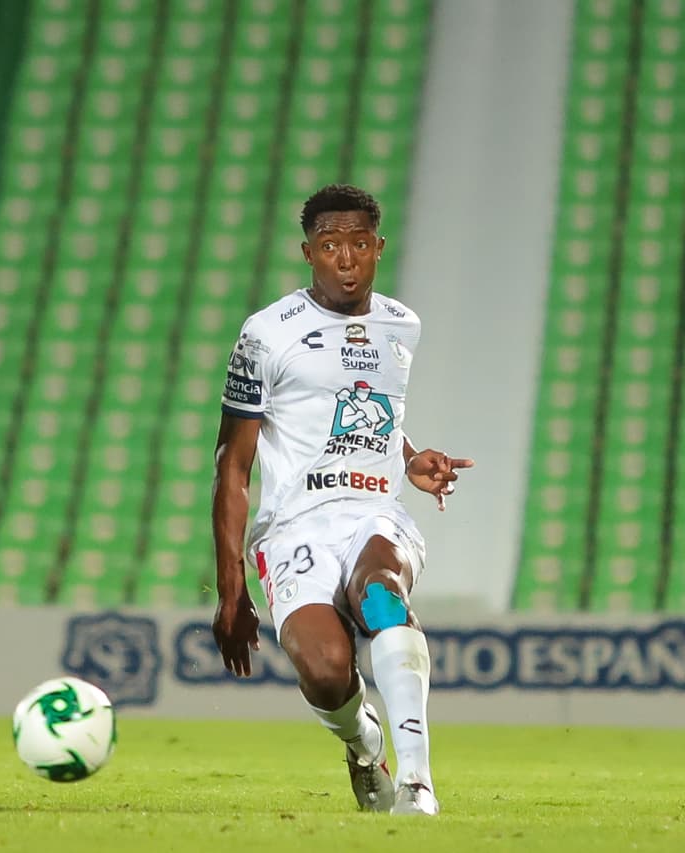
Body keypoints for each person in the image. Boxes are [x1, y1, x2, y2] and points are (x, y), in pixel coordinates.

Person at [210, 184, 474, 817]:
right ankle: (364, 746)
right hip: (292, 527)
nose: (347, 260)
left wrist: (409, 459)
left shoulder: (400, 324)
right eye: (331, 246)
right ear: (309, 252)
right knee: (328, 672)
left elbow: (367, 409)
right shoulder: (267, 334)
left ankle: (416, 782)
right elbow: (233, 464)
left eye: (360, 244)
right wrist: (231, 589)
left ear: (378, 248)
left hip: (374, 515)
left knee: (382, 593)